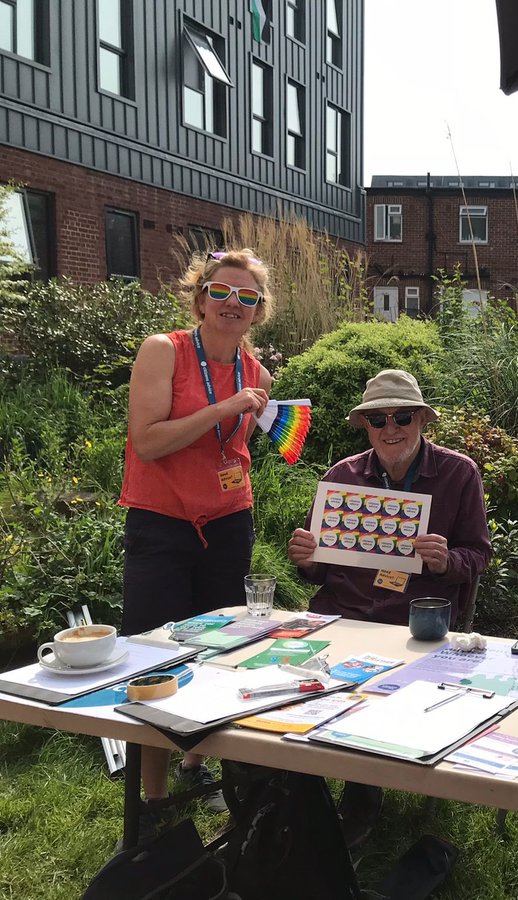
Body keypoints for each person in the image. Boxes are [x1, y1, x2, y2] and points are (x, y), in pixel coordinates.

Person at [286, 368, 491, 847]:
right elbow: (320, 567)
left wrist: (446, 561)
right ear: (365, 426)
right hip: (342, 612)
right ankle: (291, 789)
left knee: (381, 679)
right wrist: (309, 559)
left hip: (416, 617)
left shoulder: (459, 473)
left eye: (401, 416)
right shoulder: (342, 476)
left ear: (421, 419)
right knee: (286, 676)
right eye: (378, 419)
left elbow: (478, 554)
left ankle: (360, 792)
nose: (390, 427)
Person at [119, 248, 274, 837]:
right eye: (222, 292)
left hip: (229, 521)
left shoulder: (256, 373)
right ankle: (153, 801)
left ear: (259, 312)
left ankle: (197, 759)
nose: (234, 304)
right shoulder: (165, 351)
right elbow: (148, 442)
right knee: (154, 654)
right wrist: (224, 407)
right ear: (200, 296)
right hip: (162, 523)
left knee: (221, 648)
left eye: (248, 297)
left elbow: (234, 450)